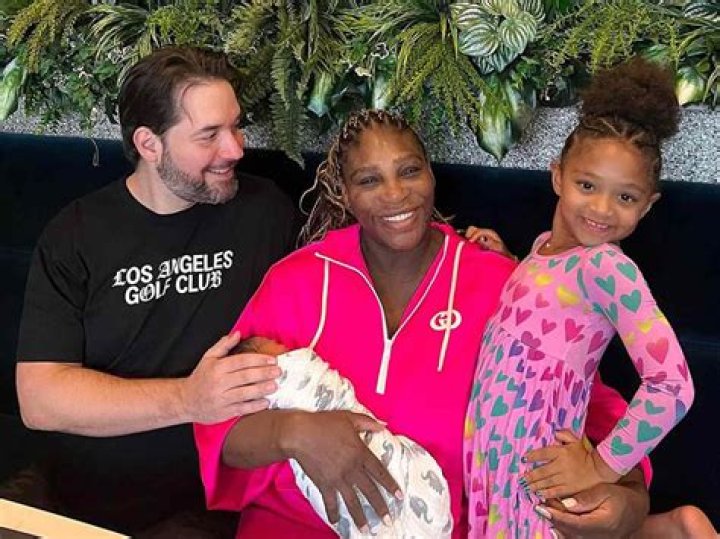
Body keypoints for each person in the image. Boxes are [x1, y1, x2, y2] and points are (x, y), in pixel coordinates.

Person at [193, 109, 653, 538]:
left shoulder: (502, 285)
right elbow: (221, 424)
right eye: (369, 180)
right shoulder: (296, 281)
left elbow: (587, 402)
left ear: (431, 174)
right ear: (345, 193)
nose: (395, 194)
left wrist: (630, 500)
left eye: (410, 171)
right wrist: (292, 433)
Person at [12, 46, 296, 536]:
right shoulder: (76, 234)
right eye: (209, 135)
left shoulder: (264, 211)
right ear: (149, 144)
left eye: (236, 126)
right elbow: (41, 399)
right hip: (69, 492)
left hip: (206, 502)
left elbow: (333, 291)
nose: (235, 149)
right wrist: (188, 398)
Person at [463, 58, 695, 538]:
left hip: (535, 473)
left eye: (625, 197)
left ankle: (670, 529)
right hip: (492, 464)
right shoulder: (542, 251)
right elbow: (550, 315)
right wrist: (509, 261)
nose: (602, 209)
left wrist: (600, 466)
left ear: (648, 205)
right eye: (587, 185)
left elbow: (673, 386)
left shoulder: (607, 268)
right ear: (557, 176)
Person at [234, 336, 453, 538]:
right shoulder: (272, 360)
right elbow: (224, 423)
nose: (284, 347)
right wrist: (294, 431)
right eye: (275, 347)